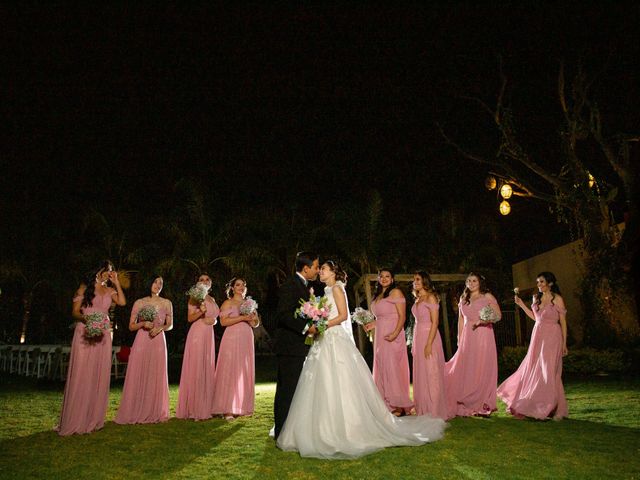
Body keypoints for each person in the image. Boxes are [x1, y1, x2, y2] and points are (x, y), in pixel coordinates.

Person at [277, 260, 446, 459]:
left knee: (339, 379)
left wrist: (322, 325)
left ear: (332, 272)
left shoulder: (337, 290)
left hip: (333, 337)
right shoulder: (327, 291)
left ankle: (348, 426)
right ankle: (320, 426)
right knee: (322, 382)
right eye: (320, 268)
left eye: (323, 268)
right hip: (324, 340)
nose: (320, 271)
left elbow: (341, 316)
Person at [56, 260, 126, 436]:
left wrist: (116, 282)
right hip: (84, 333)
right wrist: (88, 320)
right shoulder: (84, 287)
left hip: (102, 336)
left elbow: (123, 302)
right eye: (108, 270)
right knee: (81, 373)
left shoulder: (110, 290)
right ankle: (75, 418)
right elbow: (75, 312)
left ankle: (93, 418)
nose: (109, 273)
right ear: (100, 270)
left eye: (111, 271)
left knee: (97, 373)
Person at [497, 272, 568, 420]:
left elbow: (563, 322)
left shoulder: (558, 299)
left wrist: (564, 343)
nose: (539, 285)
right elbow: (535, 318)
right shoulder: (537, 298)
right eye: (538, 282)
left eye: (542, 282)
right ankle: (532, 403)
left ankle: (548, 406)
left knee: (548, 370)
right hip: (538, 335)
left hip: (552, 337)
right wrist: (521, 304)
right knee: (533, 368)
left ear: (550, 283)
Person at [273, 251, 319, 440]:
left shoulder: (305, 286)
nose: (317, 270)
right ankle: (282, 431)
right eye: (316, 267)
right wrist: (306, 328)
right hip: (290, 346)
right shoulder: (291, 285)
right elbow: (283, 314)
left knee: (293, 388)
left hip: (298, 347)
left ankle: (288, 429)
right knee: (287, 389)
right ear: (306, 268)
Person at [115, 275, 173, 424]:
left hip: (158, 340)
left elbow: (170, 324)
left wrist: (160, 328)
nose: (158, 285)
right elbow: (131, 326)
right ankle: (135, 409)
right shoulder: (140, 302)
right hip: (142, 340)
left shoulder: (167, 303)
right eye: (155, 281)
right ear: (149, 283)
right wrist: (142, 324)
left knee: (156, 372)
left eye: (161, 283)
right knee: (139, 370)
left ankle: (155, 410)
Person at [444, 272, 501, 418]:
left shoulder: (487, 297)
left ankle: (482, 402)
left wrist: (483, 321)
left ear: (480, 282)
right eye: (469, 280)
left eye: (474, 280)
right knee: (467, 367)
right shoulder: (464, 298)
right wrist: (459, 337)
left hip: (483, 335)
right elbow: (461, 320)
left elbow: (498, 315)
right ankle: (467, 398)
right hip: (468, 336)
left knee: (482, 366)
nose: (471, 283)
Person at [212, 277, 259, 420]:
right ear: (232, 288)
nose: (241, 287)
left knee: (243, 371)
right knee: (230, 369)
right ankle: (227, 409)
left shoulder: (249, 303)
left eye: (243, 285)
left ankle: (242, 406)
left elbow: (256, 323)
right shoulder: (228, 303)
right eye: (238, 285)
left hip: (246, 337)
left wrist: (252, 319)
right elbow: (223, 321)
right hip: (232, 338)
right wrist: (242, 318)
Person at [366, 269, 413, 416]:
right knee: (382, 366)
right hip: (380, 335)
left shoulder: (396, 292)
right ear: (378, 279)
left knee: (392, 368)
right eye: (382, 276)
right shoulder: (378, 295)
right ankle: (384, 404)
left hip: (393, 334)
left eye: (388, 276)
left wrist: (394, 334)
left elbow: (402, 316)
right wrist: (372, 324)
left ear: (392, 279)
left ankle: (397, 406)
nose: (384, 279)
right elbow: (381, 317)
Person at [176, 273, 220, 420]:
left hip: (209, 335)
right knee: (197, 367)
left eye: (207, 279)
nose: (204, 281)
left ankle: (207, 405)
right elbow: (190, 318)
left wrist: (214, 321)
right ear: (197, 283)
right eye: (201, 279)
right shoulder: (195, 297)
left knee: (206, 367)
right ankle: (195, 408)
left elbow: (214, 317)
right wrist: (201, 311)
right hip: (198, 334)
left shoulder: (211, 299)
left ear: (211, 283)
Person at [411, 271, 448, 419]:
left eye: (418, 279)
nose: (415, 282)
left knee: (431, 372)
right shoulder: (418, 299)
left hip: (429, 336)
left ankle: (434, 409)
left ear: (425, 281)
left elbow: (435, 322)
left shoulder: (431, 297)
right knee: (421, 372)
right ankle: (423, 407)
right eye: (414, 280)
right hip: (418, 335)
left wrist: (428, 344)